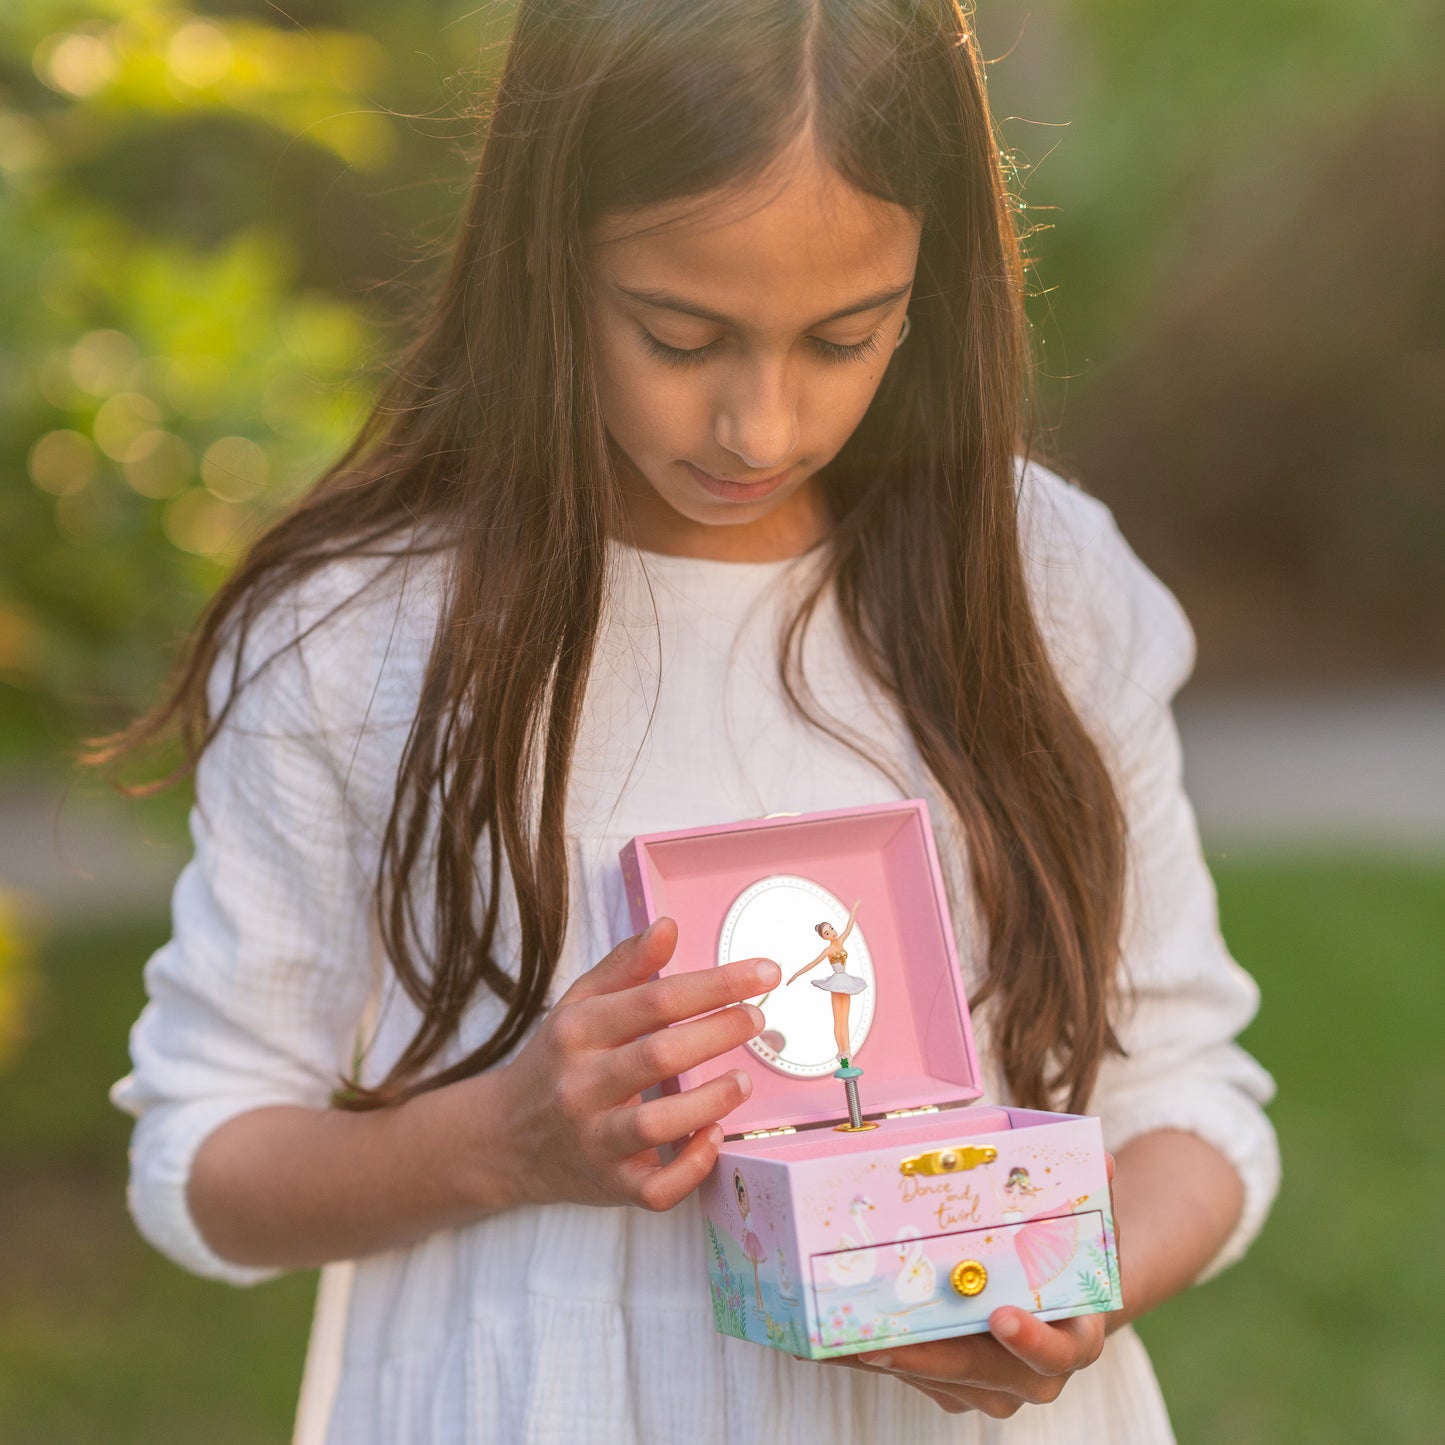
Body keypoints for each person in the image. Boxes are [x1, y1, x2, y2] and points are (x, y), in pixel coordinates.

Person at [103, 2, 1279, 1441]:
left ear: (936, 289)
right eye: (680, 333)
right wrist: (503, 1139)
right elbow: (202, 1155)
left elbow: (1189, 1099)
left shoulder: (1042, 588)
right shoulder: (364, 634)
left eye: (844, 338)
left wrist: (1070, 1291)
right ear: (546, 260)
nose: (759, 428)